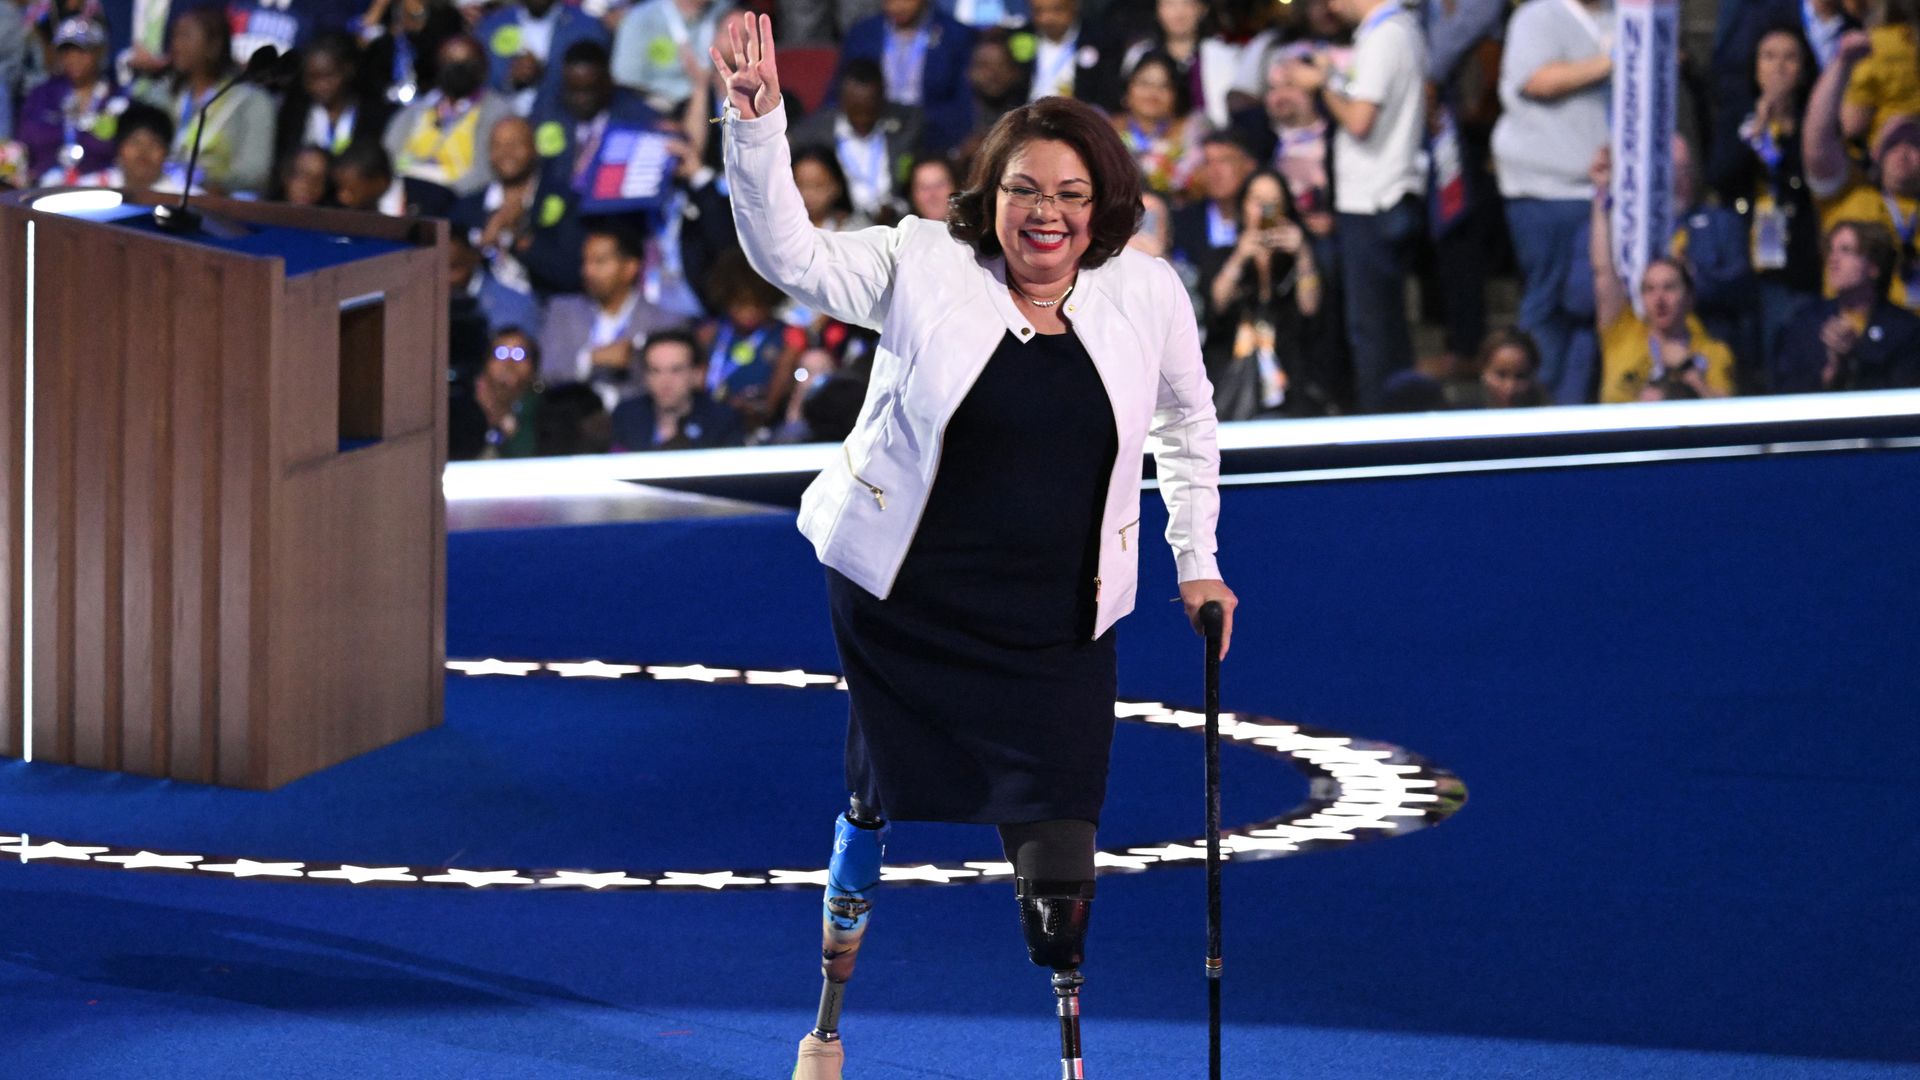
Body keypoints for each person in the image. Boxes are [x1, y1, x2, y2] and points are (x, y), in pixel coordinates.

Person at [711, 17, 1233, 1080]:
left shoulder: (1149, 292)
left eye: (1071, 194)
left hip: (1058, 623)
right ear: (989, 197)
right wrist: (758, 126)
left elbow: (1188, 421)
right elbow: (787, 254)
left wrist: (1198, 559)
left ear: (1103, 206)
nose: (1047, 213)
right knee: (872, 801)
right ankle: (826, 1026)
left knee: (1059, 883)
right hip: (911, 605)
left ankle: (1071, 1055)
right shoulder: (920, 261)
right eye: (1024, 189)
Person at [1286, 0, 1428, 413]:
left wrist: (1321, 84)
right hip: (1385, 193)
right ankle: (1397, 420)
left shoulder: (1385, 35)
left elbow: (1359, 120)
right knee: (1385, 326)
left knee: (1372, 330)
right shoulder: (1399, 29)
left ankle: (1380, 429)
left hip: (1373, 199)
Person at [1490, 0, 1614, 404]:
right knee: (1549, 303)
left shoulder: (1622, 14)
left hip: (1604, 190)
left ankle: (1576, 404)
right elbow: (1537, 80)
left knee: (1595, 306)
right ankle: (1534, 405)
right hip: (1546, 189)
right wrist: (1613, 61)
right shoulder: (1537, 16)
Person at [1589, 153, 1737, 403]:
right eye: (1649, 289)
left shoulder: (1712, 352)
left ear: (1689, 297)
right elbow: (1603, 270)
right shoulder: (1622, 334)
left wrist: (1690, 374)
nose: (1659, 299)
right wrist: (1600, 195)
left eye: (1669, 288)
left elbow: (1728, 414)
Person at [1201, 167, 1324, 418]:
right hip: (1231, 380)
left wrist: (1302, 254)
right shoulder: (1223, 256)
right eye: (1257, 201)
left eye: (1273, 203)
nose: (1264, 211)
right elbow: (1217, 304)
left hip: (1289, 380)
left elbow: (1310, 308)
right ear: (1243, 206)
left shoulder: (1299, 259)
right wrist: (1240, 257)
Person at [1772, 219, 1920, 391]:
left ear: (1873, 266)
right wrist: (1832, 371)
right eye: (1831, 250)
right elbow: (1787, 389)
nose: (1833, 259)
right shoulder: (1805, 323)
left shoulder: (1905, 330)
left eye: (1846, 250)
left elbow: (1903, 393)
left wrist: (1858, 354)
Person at [152, 6, 276, 194]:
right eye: (175, 36)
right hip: (162, 192)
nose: (176, 45)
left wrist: (205, 177)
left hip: (224, 202)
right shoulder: (162, 95)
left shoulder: (252, 101)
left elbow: (256, 173)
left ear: (214, 46)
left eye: (185, 36)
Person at [789, 57, 924, 222]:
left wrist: (896, 208)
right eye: (856, 110)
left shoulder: (906, 127)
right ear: (842, 101)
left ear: (882, 101)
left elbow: (914, 184)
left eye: (869, 111)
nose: (863, 119)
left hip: (895, 223)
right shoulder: (813, 133)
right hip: (836, 225)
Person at [609, 329, 745, 449]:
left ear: (696, 373)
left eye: (676, 370)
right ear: (645, 376)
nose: (665, 381)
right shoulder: (625, 416)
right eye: (655, 371)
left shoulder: (721, 421)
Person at [476, 0, 609, 117]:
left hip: (562, 126)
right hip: (499, 124)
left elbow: (596, 86)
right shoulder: (490, 26)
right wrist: (511, 80)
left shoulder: (588, 27)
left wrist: (545, 74)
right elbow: (481, 83)